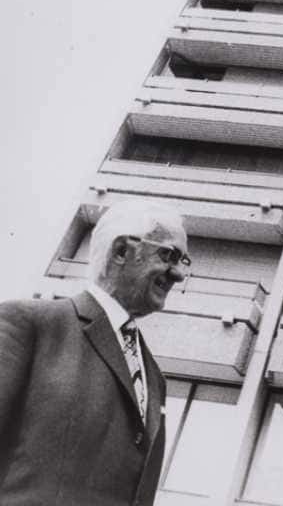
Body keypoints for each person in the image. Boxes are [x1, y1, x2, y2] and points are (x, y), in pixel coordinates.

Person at [0, 201, 190, 506]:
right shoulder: (29, 324)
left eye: (184, 261)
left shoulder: (153, 376)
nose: (179, 274)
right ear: (120, 251)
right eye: (169, 255)